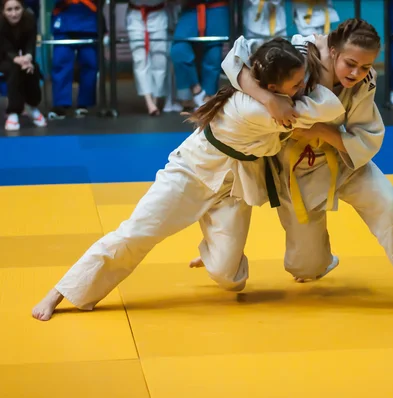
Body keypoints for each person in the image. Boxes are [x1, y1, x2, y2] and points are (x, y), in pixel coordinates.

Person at [31, 38, 346, 321]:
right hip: (191, 172)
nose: (302, 87)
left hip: (235, 184)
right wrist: (270, 98)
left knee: (229, 278)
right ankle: (62, 291)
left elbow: (238, 52)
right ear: (274, 87)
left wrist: (265, 92)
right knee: (136, 234)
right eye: (295, 85)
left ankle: (211, 245)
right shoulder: (260, 111)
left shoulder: (264, 94)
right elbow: (331, 106)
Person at [192, 19, 393, 315]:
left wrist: (322, 133)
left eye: (365, 66)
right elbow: (235, 60)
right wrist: (267, 98)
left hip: (345, 159)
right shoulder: (299, 54)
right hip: (295, 171)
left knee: (391, 207)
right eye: (351, 63)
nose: (356, 73)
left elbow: (365, 135)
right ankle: (314, 259)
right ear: (333, 50)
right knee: (305, 268)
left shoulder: (365, 80)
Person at [170, 0, 229, 109]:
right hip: (191, 9)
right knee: (178, 50)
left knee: (213, 57)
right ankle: (197, 91)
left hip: (217, 8)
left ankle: (209, 98)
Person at [48, 0, 100, 120]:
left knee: (90, 63)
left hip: (88, 16)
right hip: (63, 16)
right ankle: (60, 104)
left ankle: (84, 103)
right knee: (61, 63)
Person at [0, 0, 46, 131]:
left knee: (33, 68)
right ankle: (13, 111)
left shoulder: (30, 20)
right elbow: (4, 48)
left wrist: (28, 57)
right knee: (14, 68)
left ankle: (31, 106)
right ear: (3, 11)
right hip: (2, 57)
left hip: (20, 57)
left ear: (23, 8)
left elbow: (31, 43)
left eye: (17, 8)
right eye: (9, 10)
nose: (14, 14)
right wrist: (17, 59)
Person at [126, 0, 170, 115]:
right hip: (135, 14)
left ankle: (156, 98)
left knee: (160, 60)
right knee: (139, 59)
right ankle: (149, 101)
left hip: (158, 13)